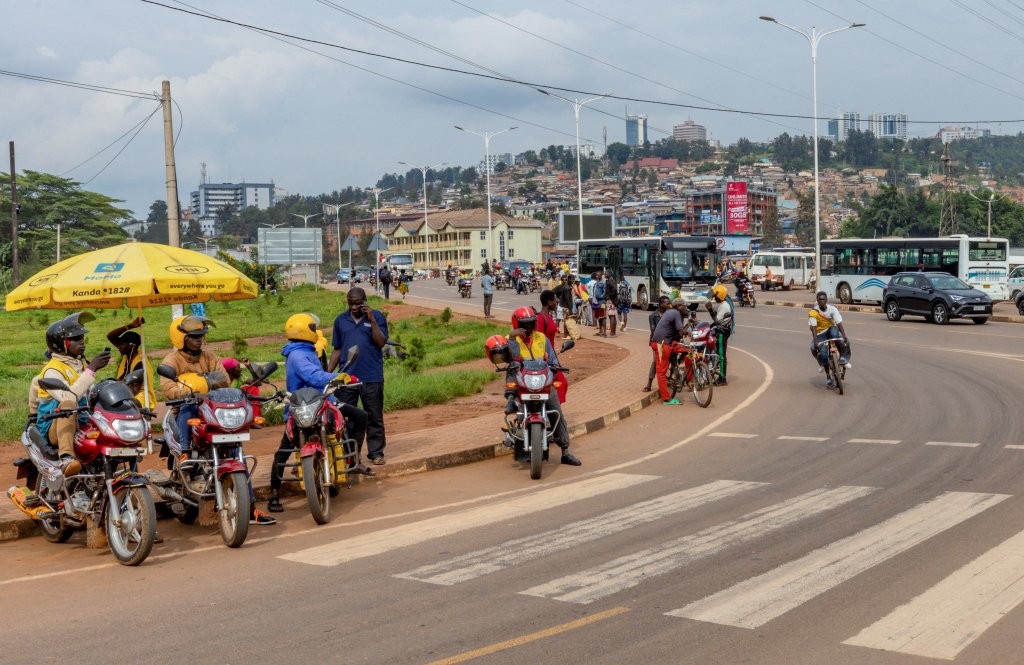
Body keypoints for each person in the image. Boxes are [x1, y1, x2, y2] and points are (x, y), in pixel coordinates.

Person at [159, 315, 276, 525]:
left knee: (237, 455)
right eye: (194, 336)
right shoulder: (172, 361)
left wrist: (215, 387)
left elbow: (223, 380)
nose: (199, 340)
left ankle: (250, 508)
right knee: (188, 404)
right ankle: (185, 452)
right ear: (181, 338)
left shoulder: (210, 357)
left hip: (213, 411)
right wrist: (188, 392)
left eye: (201, 336)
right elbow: (168, 387)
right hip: (188, 411)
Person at [267, 313, 370, 512]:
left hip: (321, 401)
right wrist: (338, 376)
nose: (316, 331)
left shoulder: (305, 350)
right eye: (313, 328)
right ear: (305, 330)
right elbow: (313, 376)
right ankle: (273, 493)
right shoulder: (298, 355)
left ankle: (351, 459)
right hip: (303, 406)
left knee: (359, 416)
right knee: (284, 450)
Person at [36, 313, 111, 476]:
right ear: (61, 344)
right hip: (54, 427)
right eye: (76, 339)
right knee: (68, 405)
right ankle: (66, 458)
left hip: (81, 421)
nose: (82, 342)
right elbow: (68, 398)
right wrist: (91, 370)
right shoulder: (52, 370)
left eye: (82, 338)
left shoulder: (78, 364)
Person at [505, 307, 581, 466]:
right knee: (519, 411)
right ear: (516, 324)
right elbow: (510, 359)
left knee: (556, 411)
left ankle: (565, 451)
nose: (528, 328)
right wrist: (513, 337)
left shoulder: (542, 338)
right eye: (524, 325)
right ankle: (511, 402)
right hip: (523, 383)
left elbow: (553, 359)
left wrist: (554, 367)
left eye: (531, 323)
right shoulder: (512, 340)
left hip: (542, 382)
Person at [329, 287, 389, 465]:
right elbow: (337, 349)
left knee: (374, 416)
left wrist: (372, 321)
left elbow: (380, 342)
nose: (354, 307)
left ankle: (376, 453)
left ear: (364, 301)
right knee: (348, 418)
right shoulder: (341, 320)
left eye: (357, 303)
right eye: (350, 303)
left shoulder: (377, 317)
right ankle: (351, 455)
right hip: (347, 379)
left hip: (372, 376)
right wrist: (327, 374)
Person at [650, 298, 694, 405]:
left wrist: (689, 324)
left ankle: (688, 380)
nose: (686, 308)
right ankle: (666, 399)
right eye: (684, 306)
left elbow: (679, 332)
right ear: (679, 307)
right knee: (661, 371)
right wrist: (689, 331)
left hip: (669, 343)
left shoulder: (671, 312)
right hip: (661, 344)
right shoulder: (675, 313)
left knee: (689, 352)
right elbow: (680, 332)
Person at [106, 315, 156, 408]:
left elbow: (134, 390)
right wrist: (130, 326)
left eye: (122, 344)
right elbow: (110, 336)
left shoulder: (140, 362)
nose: (119, 347)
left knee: (121, 405)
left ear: (131, 345)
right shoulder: (127, 355)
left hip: (141, 397)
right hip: (126, 393)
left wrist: (116, 394)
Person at [809, 291, 852, 387]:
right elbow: (813, 328)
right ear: (817, 301)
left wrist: (844, 335)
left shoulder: (832, 309)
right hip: (820, 333)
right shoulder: (813, 312)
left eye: (823, 299)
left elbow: (839, 322)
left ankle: (843, 358)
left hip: (831, 328)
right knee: (822, 352)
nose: (821, 301)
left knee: (837, 337)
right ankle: (828, 376)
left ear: (826, 300)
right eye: (819, 299)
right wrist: (816, 341)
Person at [704, 284, 735, 386]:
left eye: (715, 297)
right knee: (718, 354)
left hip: (722, 332)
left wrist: (710, 310)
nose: (714, 298)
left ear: (720, 296)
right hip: (721, 330)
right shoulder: (724, 303)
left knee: (721, 356)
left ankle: (722, 379)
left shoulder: (724, 306)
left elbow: (717, 321)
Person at [643, 295, 671, 392]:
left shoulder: (669, 314)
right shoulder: (653, 316)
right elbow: (653, 331)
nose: (668, 305)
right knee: (655, 361)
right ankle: (649, 383)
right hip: (656, 341)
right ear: (660, 304)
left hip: (668, 341)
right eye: (666, 304)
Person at [604, 270, 619, 337]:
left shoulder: (610, 280)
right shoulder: (610, 280)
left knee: (611, 316)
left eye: (606, 273)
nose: (604, 274)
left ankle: (612, 333)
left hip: (611, 300)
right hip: (612, 300)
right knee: (612, 315)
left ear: (609, 274)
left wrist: (609, 296)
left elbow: (614, 289)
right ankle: (613, 332)